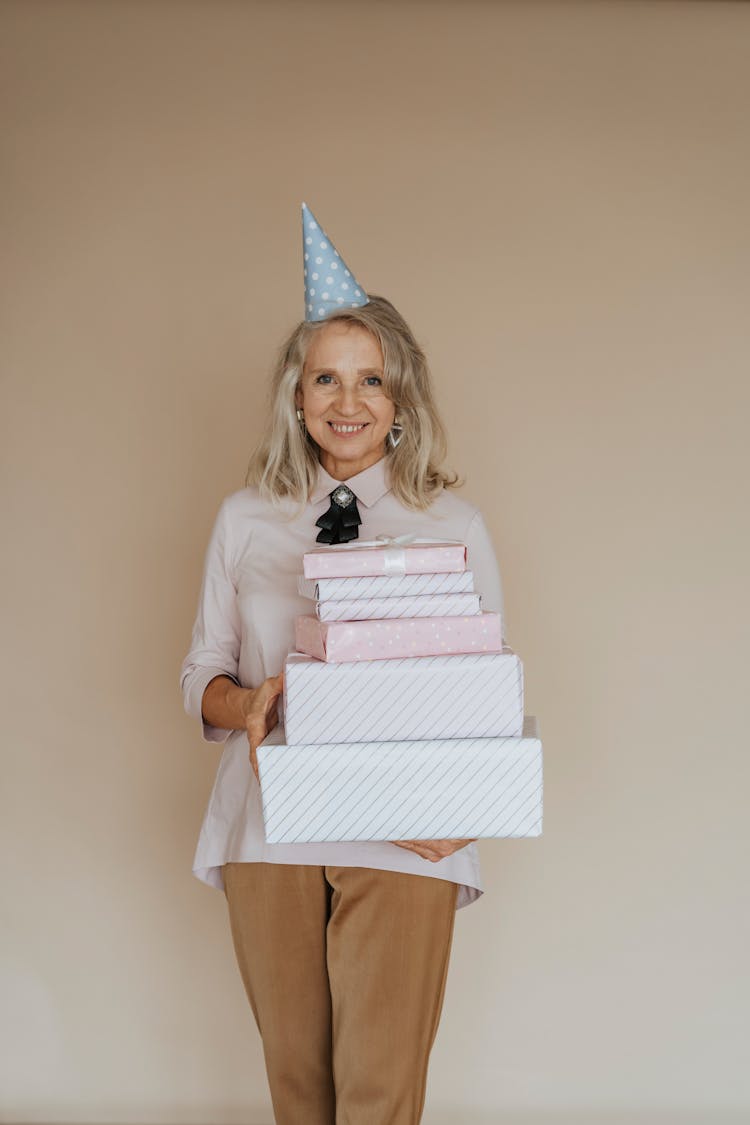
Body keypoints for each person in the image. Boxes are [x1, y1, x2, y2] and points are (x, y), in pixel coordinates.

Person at [180, 206, 505, 1125]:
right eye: (327, 377)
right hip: (270, 828)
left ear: (402, 400)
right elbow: (200, 669)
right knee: (300, 1096)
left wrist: (464, 810)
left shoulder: (454, 526)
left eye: (371, 380)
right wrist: (248, 704)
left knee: (379, 1097)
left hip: (405, 833)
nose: (347, 401)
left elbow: (486, 690)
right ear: (297, 394)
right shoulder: (246, 517)